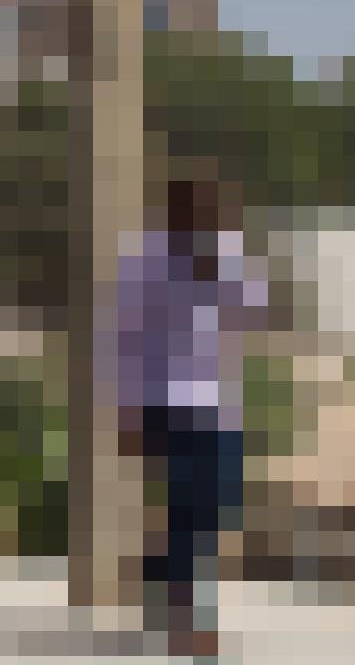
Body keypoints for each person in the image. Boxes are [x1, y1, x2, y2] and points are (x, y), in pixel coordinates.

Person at [107, 170, 273, 657]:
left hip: (220, 406)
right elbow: (125, 340)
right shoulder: (149, 260)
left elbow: (256, 311)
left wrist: (226, 264)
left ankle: (159, 580)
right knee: (188, 517)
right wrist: (127, 408)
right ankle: (187, 620)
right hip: (168, 404)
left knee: (213, 509)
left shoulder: (227, 256)